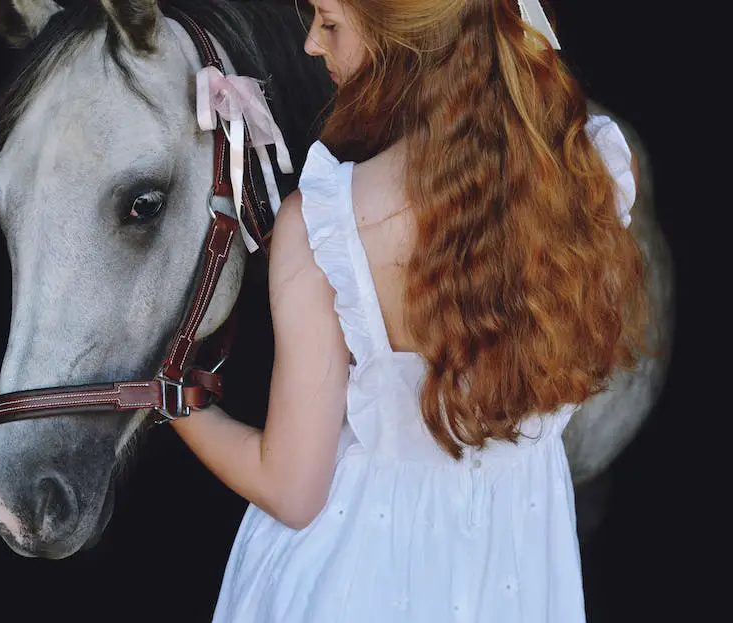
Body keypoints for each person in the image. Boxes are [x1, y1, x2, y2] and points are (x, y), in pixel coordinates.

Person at [170, 0, 647, 620]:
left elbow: (292, 489)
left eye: (329, 21)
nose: (312, 44)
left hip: (354, 576)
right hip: (521, 570)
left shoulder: (326, 227)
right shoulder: (594, 175)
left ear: (407, 41)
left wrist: (172, 399)